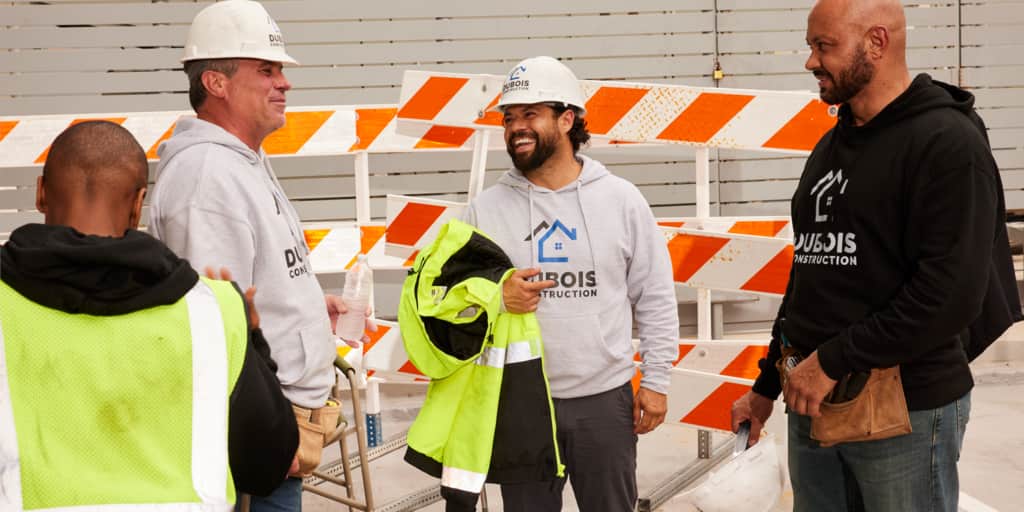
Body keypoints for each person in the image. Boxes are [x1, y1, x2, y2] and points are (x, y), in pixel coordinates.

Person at [730, 1, 1021, 511]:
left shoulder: (946, 143)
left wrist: (832, 361)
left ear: (877, 43)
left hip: (904, 411)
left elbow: (949, 296)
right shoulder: (832, 145)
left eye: (825, 46)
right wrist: (766, 386)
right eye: (810, 46)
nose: (811, 62)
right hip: (813, 402)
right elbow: (811, 273)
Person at [0, 120, 297, 510]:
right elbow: (265, 465)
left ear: (40, 193)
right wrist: (253, 339)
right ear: (139, 204)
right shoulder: (216, 309)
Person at [150, 1, 372, 509]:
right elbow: (214, 329)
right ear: (216, 83)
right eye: (266, 70)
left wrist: (307, 307)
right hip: (259, 437)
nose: (284, 83)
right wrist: (261, 433)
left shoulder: (241, 163)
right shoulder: (207, 180)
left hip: (278, 425)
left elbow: (249, 289)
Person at [461, 56, 680, 511]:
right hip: (520, 401)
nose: (516, 127)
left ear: (567, 119)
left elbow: (654, 295)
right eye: (509, 118)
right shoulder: (486, 210)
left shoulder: (620, 200)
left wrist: (656, 381)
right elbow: (457, 301)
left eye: (530, 114)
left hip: (603, 399)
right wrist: (495, 296)